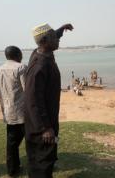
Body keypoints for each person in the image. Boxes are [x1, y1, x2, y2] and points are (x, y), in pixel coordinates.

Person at [24, 23, 73, 178]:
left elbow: (50, 37)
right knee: (41, 162)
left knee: (48, 157)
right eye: (54, 37)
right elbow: (33, 100)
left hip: (48, 121)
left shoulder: (41, 51)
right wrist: (44, 128)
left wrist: (60, 30)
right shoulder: (39, 65)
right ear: (45, 40)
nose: (58, 40)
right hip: (41, 127)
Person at [0, 46, 27, 177]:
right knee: (31, 140)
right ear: (18, 55)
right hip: (23, 112)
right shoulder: (21, 68)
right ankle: (35, 165)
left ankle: (12, 170)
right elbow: (28, 90)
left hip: (8, 111)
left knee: (12, 143)